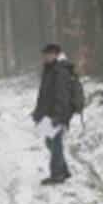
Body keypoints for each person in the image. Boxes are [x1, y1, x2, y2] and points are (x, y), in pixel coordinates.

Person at [32, 43, 75, 185]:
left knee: (55, 143)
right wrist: (38, 112)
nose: (45, 57)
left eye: (48, 54)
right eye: (44, 55)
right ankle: (63, 170)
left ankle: (57, 175)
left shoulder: (60, 71)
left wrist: (58, 116)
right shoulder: (50, 69)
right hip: (48, 113)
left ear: (56, 55)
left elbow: (62, 96)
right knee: (50, 142)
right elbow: (44, 94)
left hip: (56, 114)